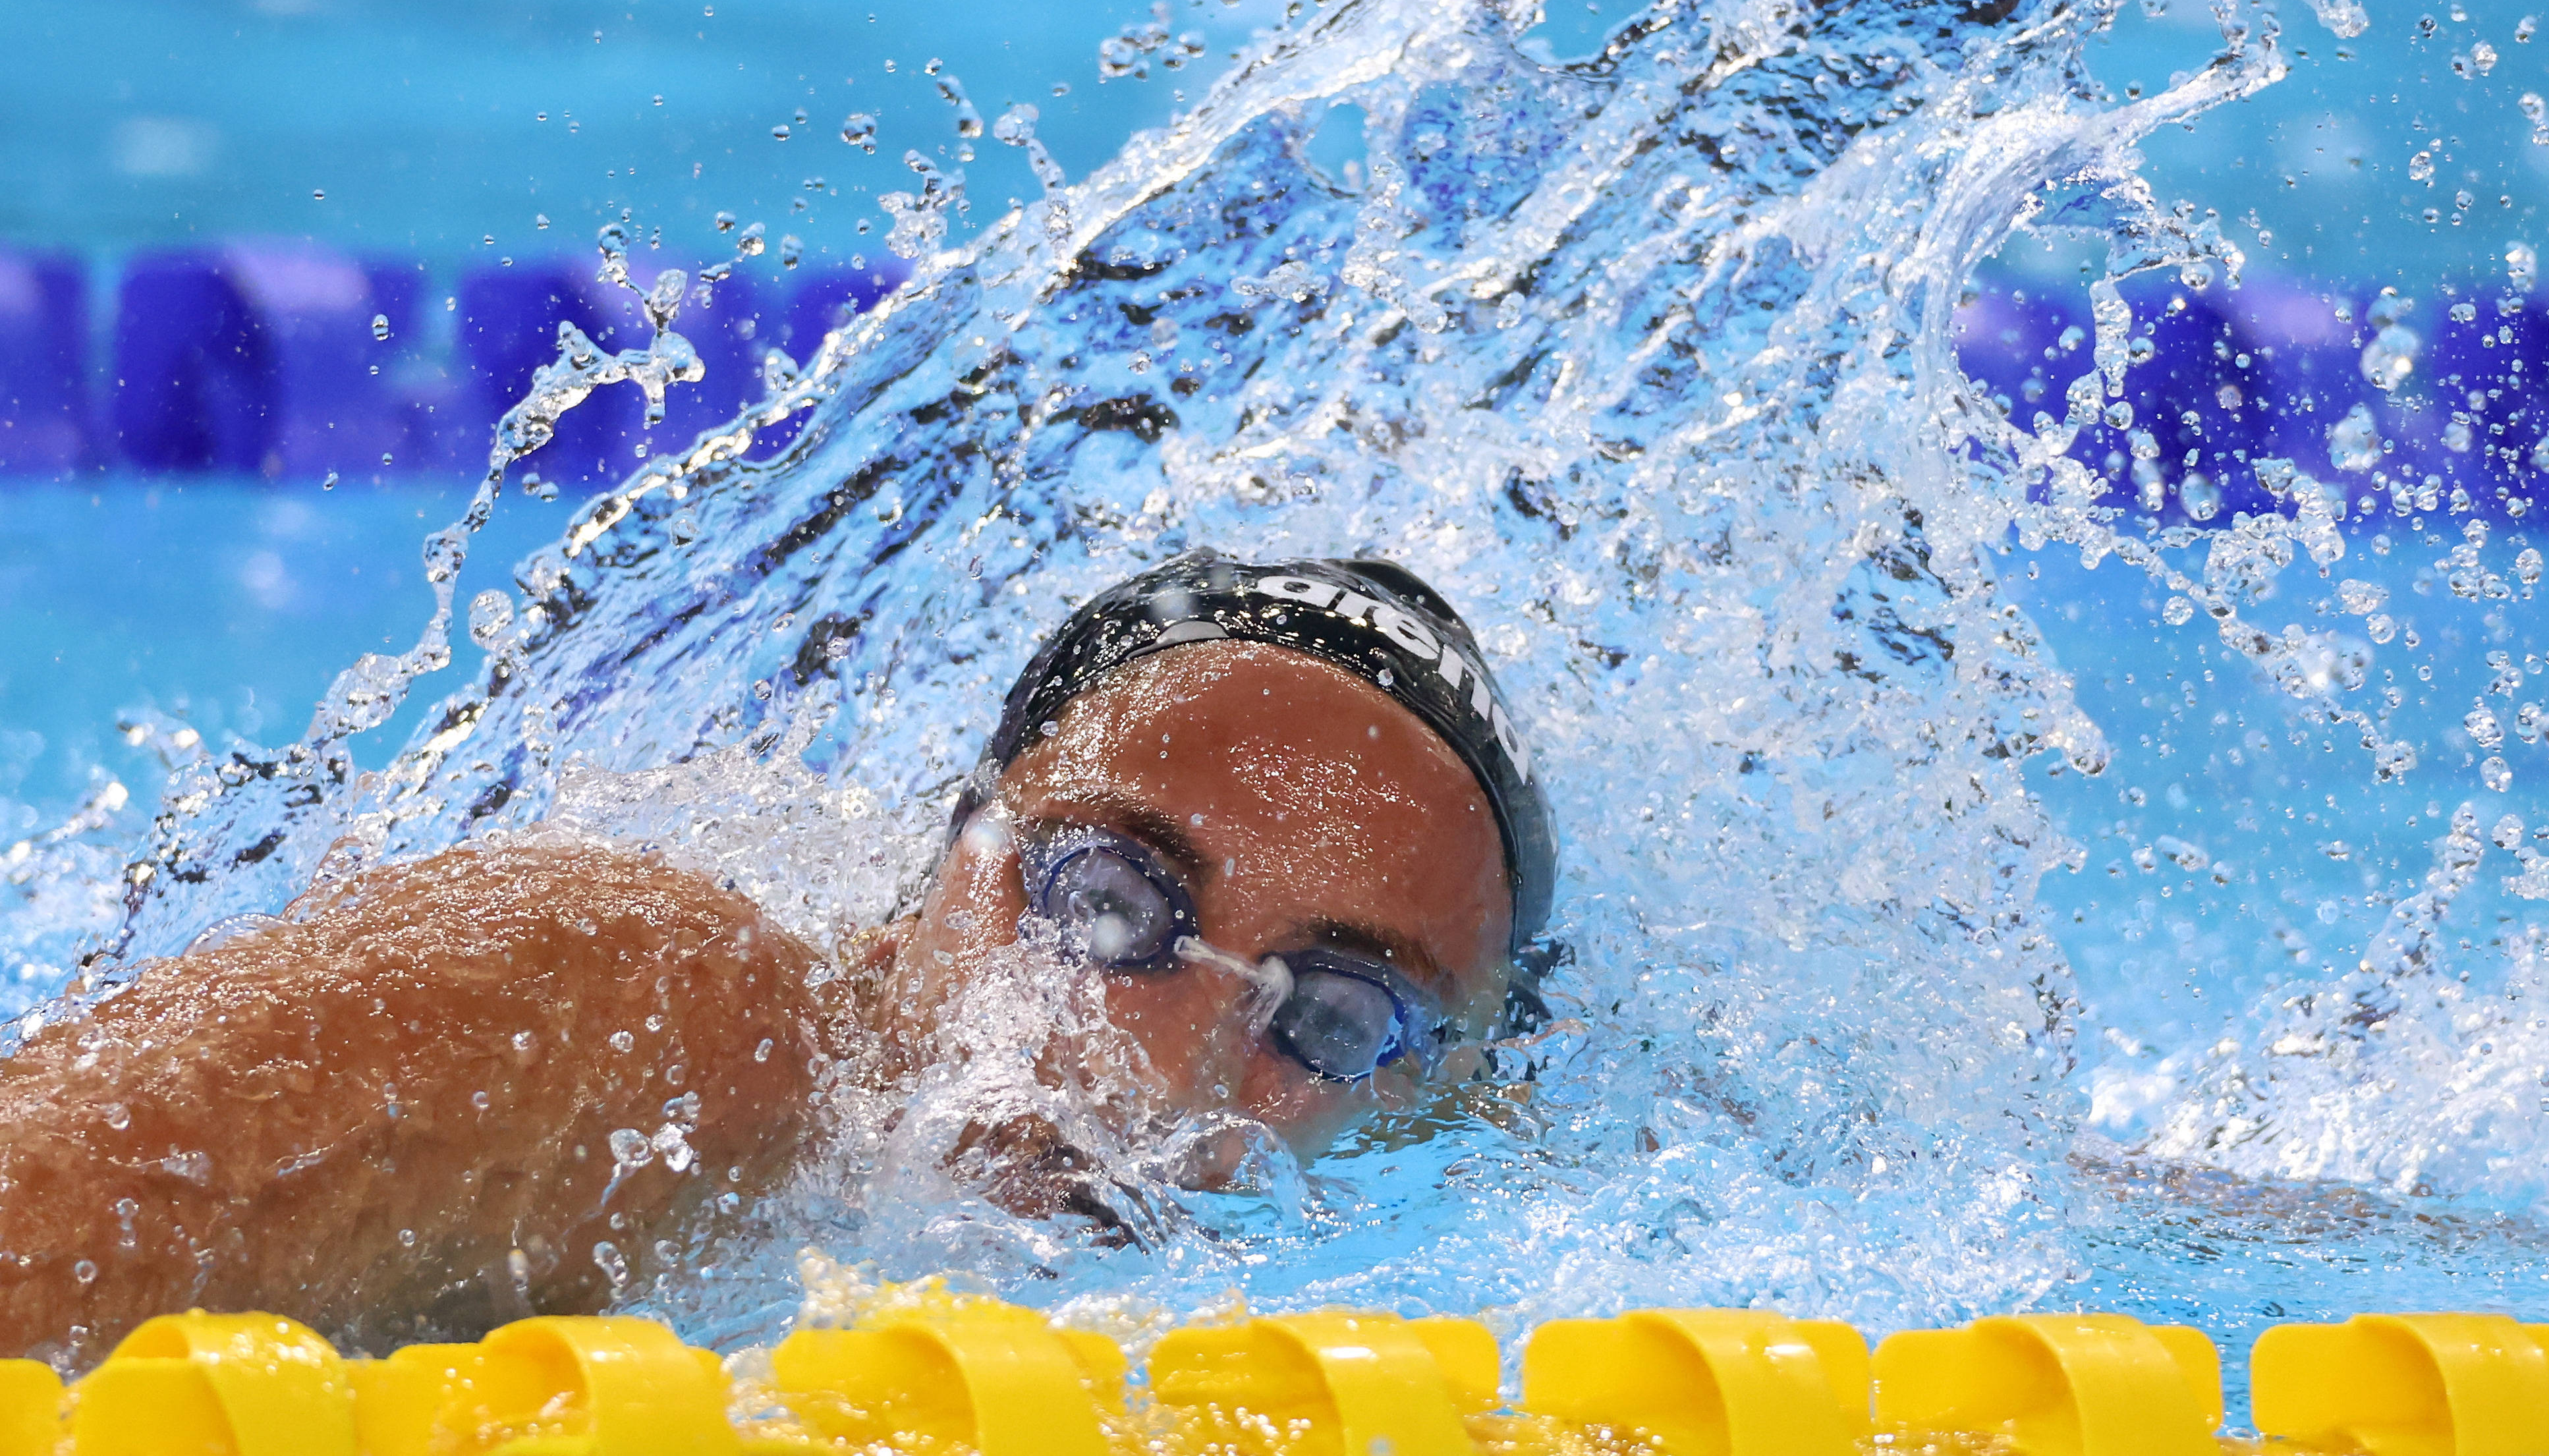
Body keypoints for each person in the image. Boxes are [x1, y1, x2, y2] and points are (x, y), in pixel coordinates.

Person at [0, 553, 1555, 1366]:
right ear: (939, 874)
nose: (1155, 1075)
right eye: (1103, 901)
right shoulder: (637, 1016)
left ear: (1449, 1111)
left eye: (1333, 1022)